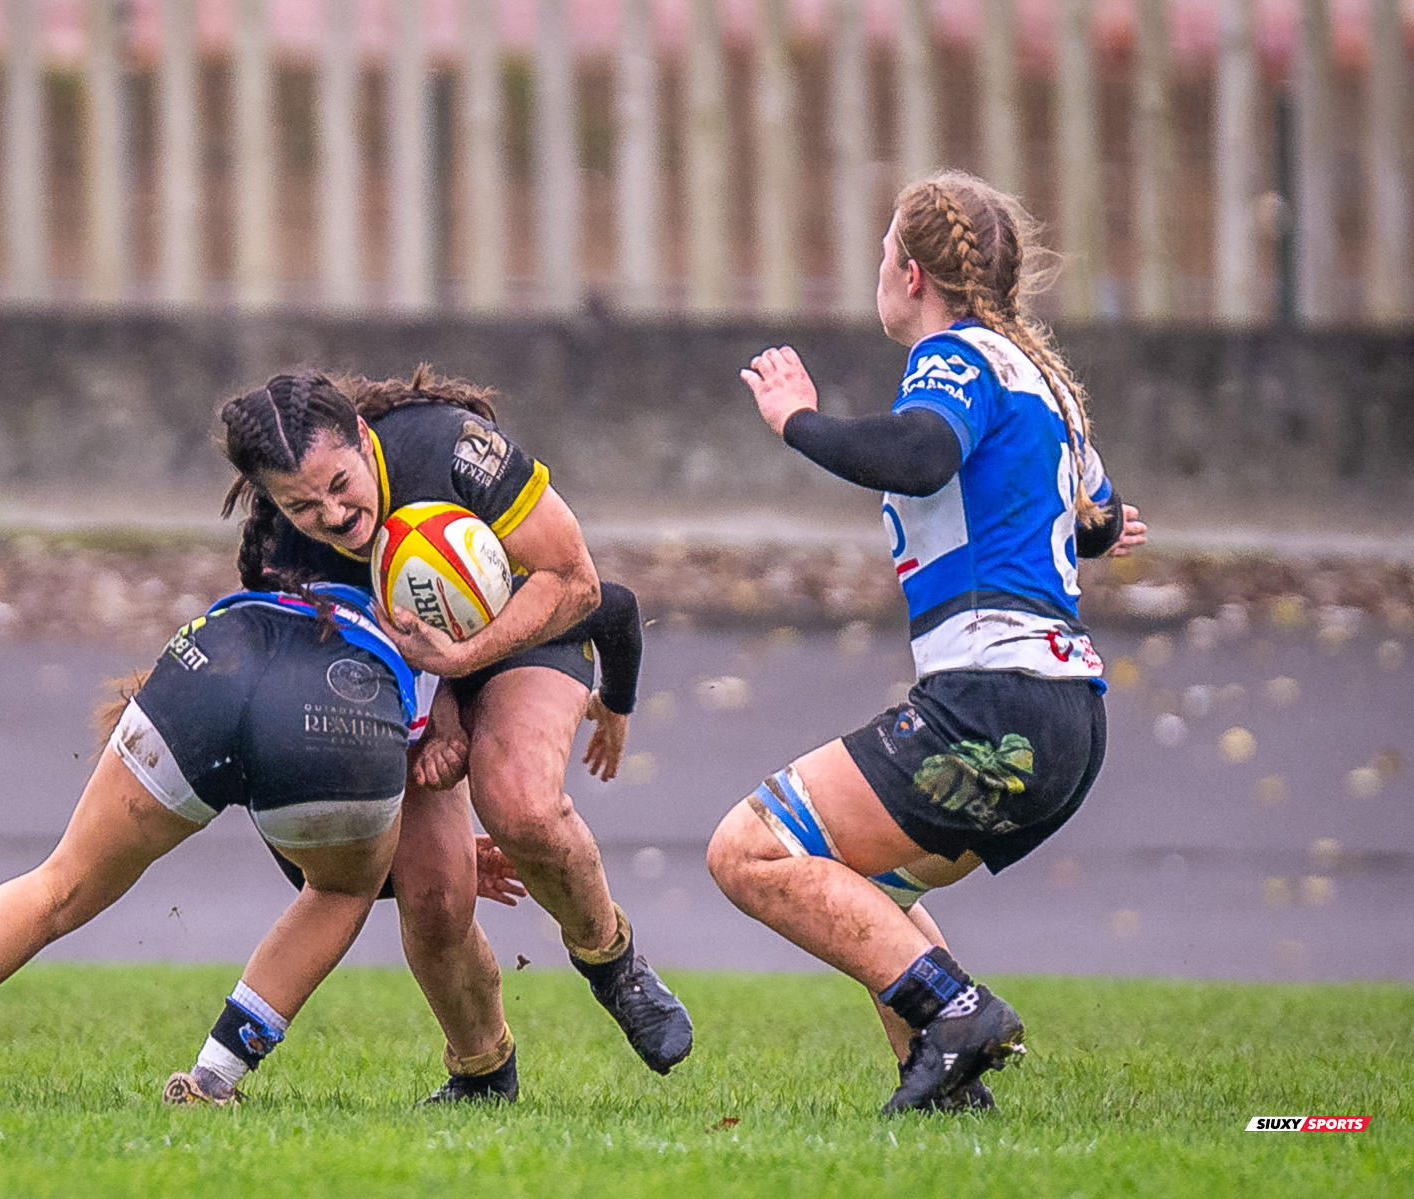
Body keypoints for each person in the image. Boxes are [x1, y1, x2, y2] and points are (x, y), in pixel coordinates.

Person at [705, 170, 1148, 1114]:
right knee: (866, 888)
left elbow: (923, 453)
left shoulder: (955, 359)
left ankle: (956, 1013)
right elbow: (1098, 516)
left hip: (990, 705)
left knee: (749, 850)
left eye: (879, 252)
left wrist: (798, 422)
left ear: (911, 275)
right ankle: (948, 1084)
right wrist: (1101, 530)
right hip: (1067, 718)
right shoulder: (1046, 381)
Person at [0, 581, 517, 1105]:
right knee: (337, 890)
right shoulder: (428, 641)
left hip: (206, 660)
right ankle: (211, 1079)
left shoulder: (288, 548)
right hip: (332, 706)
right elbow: (389, 812)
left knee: (59, 884)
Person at [218, 367, 693, 1078]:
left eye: (340, 484)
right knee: (436, 891)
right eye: (303, 505)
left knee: (521, 806)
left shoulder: (452, 449)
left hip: (531, 622)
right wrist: (419, 745)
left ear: (361, 435)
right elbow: (303, 733)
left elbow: (581, 585)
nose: (333, 514)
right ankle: (482, 1070)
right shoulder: (282, 561)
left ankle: (612, 962)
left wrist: (462, 666)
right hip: (404, 684)